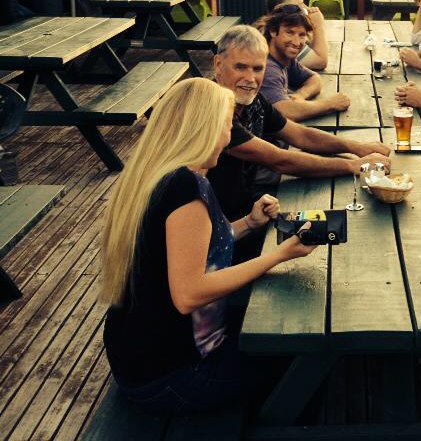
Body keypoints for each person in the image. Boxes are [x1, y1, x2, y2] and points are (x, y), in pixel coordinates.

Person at [101, 77, 318, 414]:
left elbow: (190, 248)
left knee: (279, 328)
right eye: (227, 126)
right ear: (205, 128)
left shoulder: (157, 175)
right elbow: (189, 294)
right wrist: (279, 256)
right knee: (303, 352)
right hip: (174, 374)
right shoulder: (185, 188)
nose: (229, 137)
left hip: (138, 360)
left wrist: (248, 223)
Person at [207, 25, 391, 223]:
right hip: (216, 222)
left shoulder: (252, 100)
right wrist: (352, 165)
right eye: (240, 67)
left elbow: (300, 135)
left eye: (258, 69)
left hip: (246, 207)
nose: (250, 78)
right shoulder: (212, 109)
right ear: (218, 64)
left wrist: (356, 147)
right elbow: (279, 160)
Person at [257, 4, 350, 122]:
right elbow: (284, 112)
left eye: (302, 35)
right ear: (273, 32)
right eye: (290, 33)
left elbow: (314, 78)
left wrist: (300, 95)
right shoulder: (267, 67)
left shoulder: (284, 58)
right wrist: (330, 104)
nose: (297, 42)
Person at [264, 0, 329, 70]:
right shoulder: (284, 42)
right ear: (283, 11)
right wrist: (318, 25)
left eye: (303, 3)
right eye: (299, 6)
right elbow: (321, 61)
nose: (307, 9)